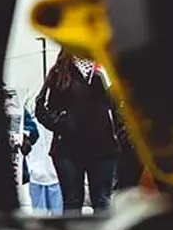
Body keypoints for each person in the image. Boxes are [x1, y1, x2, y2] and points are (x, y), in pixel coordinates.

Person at [34, 51, 120, 214]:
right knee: (72, 201)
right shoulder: (59, 72)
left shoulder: (104, 70)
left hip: (104, 147)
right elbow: (41, 108)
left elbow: (118, 104)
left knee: (102, 201)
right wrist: (62, 123)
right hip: (68, 149)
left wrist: (120, 133)